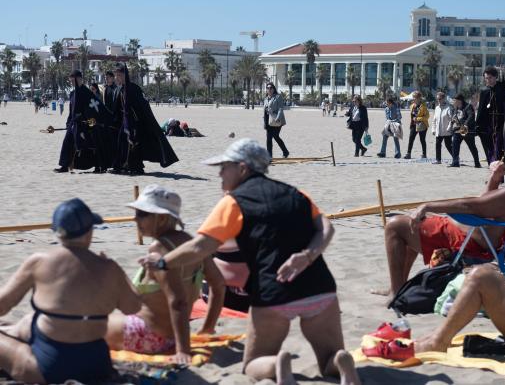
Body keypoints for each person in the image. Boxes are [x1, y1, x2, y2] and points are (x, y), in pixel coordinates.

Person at [139, 139, 361, 385]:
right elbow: (326, 228)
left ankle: (277, 363)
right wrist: (307, 255)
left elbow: (200, 247)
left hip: (273, 292)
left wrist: (162, 262)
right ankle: (339, 361)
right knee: (329, 357)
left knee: (253, 365)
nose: (220, 174)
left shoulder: (233, 202)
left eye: (224, 167)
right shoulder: (296, 193)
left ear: (243, 168)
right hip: (319, 287)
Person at [377, 139, 505, 300]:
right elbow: (486, 204)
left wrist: (429, 205)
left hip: (468, 242)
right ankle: (399, 286)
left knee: (394, 225)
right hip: (476, 236)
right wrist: (494, 178)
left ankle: (396, 291)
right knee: (413, 223)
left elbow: (477, 207)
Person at [0, 198, 141, 384]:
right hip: (98, 367)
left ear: (57, 233)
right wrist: (117, 273)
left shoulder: (39, 262)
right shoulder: (109, 268)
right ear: (89, 231)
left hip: (48, 369)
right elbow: (133, 307)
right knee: (28, 323)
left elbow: (3, 304)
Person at [106, 185, 225, 364]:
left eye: (141, 214)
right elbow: (219, 284)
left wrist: (183, 350)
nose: (135, 219)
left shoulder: (159, 248)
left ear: (161, 218)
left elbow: (177, 300)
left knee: (86, 323)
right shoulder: (191, 244)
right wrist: (208, 327)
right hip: (169, 336)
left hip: (147, 335)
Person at [112, 63, 179, 175]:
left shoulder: (134, 89)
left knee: (134, 144)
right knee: (122, 142)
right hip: (125, 123)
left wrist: (135, 122)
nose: (116, 77)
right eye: (116, 75)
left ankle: (135, 166)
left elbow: (142, 107)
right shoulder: (120, 89)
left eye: (118, 75)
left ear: (124, 75)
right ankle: (122, 165)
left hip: (135, 123)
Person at [54, 70, 97, 173]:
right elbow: (71, 110)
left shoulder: (87, 93)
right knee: (67, 142)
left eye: (73, 80)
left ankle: (97, 164)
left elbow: (92, 109)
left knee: (86, 144)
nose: (72, 83)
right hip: (73, 123)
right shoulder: (73, 94)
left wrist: (88, 123)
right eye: (71, 81)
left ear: (79, 79)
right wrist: (68, 122)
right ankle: (64, 166)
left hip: (84, 124)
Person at [476, 66, 505, 164]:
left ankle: (499, 176)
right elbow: (481, 110)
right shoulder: (484, 91)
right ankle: (494, 174)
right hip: (489, 127)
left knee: (500, 151)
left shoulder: (504, 89)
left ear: (495, 77)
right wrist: (478, 125)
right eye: (486, 78)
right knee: (490, 150)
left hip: (502, 126)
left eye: (490, 78)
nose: (488, 80)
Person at [450, 93, 481, 168]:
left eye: (454, 100)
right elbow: (455, 117)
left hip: (467, 130)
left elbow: (471, 116)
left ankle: (477, 163)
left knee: (472, 146)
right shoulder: (456, 108)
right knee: (455, 145)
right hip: (458, 130)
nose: (453, 102)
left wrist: (465, 124)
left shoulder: (468, 106)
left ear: (459, 100)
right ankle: (455, 162)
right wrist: (453, 121)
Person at [263, 82, 290, 158]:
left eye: (271, 88)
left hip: (277, 120)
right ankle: (269, 156)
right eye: (267, 88)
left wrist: (277, 118)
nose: (269, 89)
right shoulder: (266, 99)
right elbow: (265, 111)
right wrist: (264, 122)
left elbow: (281, 109)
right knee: (268, 139)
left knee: (275, 136)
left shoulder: (278, 97)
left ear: (274, 89)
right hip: (268, 120)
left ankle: (285, 152)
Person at [404, 91, 429, 159]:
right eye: (413, 97)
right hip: (413, 125)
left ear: (419, 98)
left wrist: (418, 118)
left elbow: (427, 116)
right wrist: (412, 122)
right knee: (411, 139)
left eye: (414, 97)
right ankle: (408, 154)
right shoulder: (412, 106)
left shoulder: (423, 106)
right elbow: (412, 116)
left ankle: (424, 154)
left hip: (422, 125)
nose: (413, 99)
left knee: (422, 139)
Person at [432, 92, 454, 164]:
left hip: (447, 131)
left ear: (444, 99)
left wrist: (449, 128)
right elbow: (434, 120)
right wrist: (433, 129)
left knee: (448, 145)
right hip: (439, 131)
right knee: (437, 145)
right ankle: (438, 160)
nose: (438, 100)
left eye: (440, 99)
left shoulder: (448, 108)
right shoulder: (437, 108)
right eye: (437, 99)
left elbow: (451, 119)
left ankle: (456, 157)